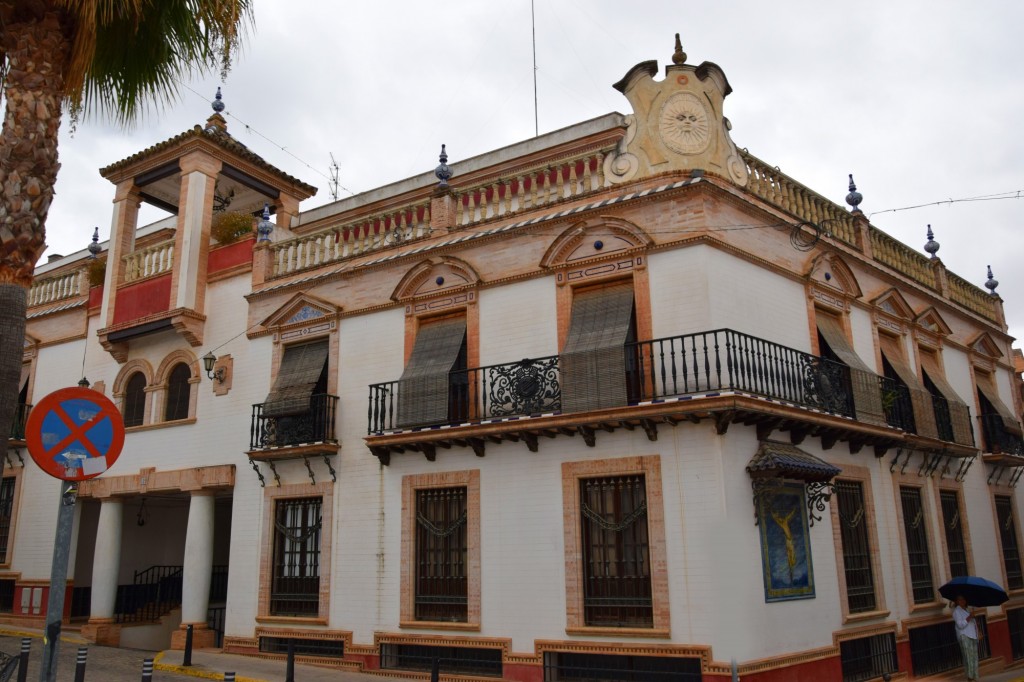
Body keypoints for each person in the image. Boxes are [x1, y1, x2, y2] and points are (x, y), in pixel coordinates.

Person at [952, 594, 981, 682]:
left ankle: (975, 677)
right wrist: (969, 617)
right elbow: (960, 625)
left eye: (963, 599)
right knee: (968, 658)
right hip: (964, 636)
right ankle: (970, 678)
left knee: (974, 657)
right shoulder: (956, 612)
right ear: (956, 601)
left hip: (973, 635)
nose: (962, 601)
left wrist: (978, 629)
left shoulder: (967, 610)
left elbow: (973, 623)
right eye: (959, 600)